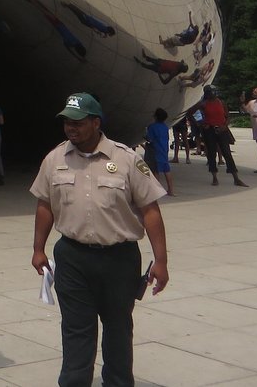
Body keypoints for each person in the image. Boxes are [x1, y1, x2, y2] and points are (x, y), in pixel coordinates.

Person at [30, 92, 169, 387]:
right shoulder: (54, 159)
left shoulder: (127, 159)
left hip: (119, 259)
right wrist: (38, 249)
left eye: (78, 122)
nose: (71, 128)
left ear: (96, 122)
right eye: (67, 122)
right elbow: (44, 205)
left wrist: (161, 260)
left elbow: (150, 210)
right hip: (72, 257)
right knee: (76, 329)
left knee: (118, 328)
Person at [197, 87, 247, 187]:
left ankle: (236, 178)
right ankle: (214, 177)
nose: (214, 94)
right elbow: (193, 113)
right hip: (210, 130)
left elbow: (227, 116)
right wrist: (202, 123)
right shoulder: (203, 104)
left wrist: (224, 126)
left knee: (227, 153)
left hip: (221, 129)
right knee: (211, 154)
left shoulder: (221, 102)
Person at [145, 108, 175, 196]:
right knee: (167, 170)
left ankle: (155, 191)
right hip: (164, 149)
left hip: (156, 150)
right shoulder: (165, 127)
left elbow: (149, 139)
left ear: (155, 117)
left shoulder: (152, 127)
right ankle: (171, 190)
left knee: (155, 171)